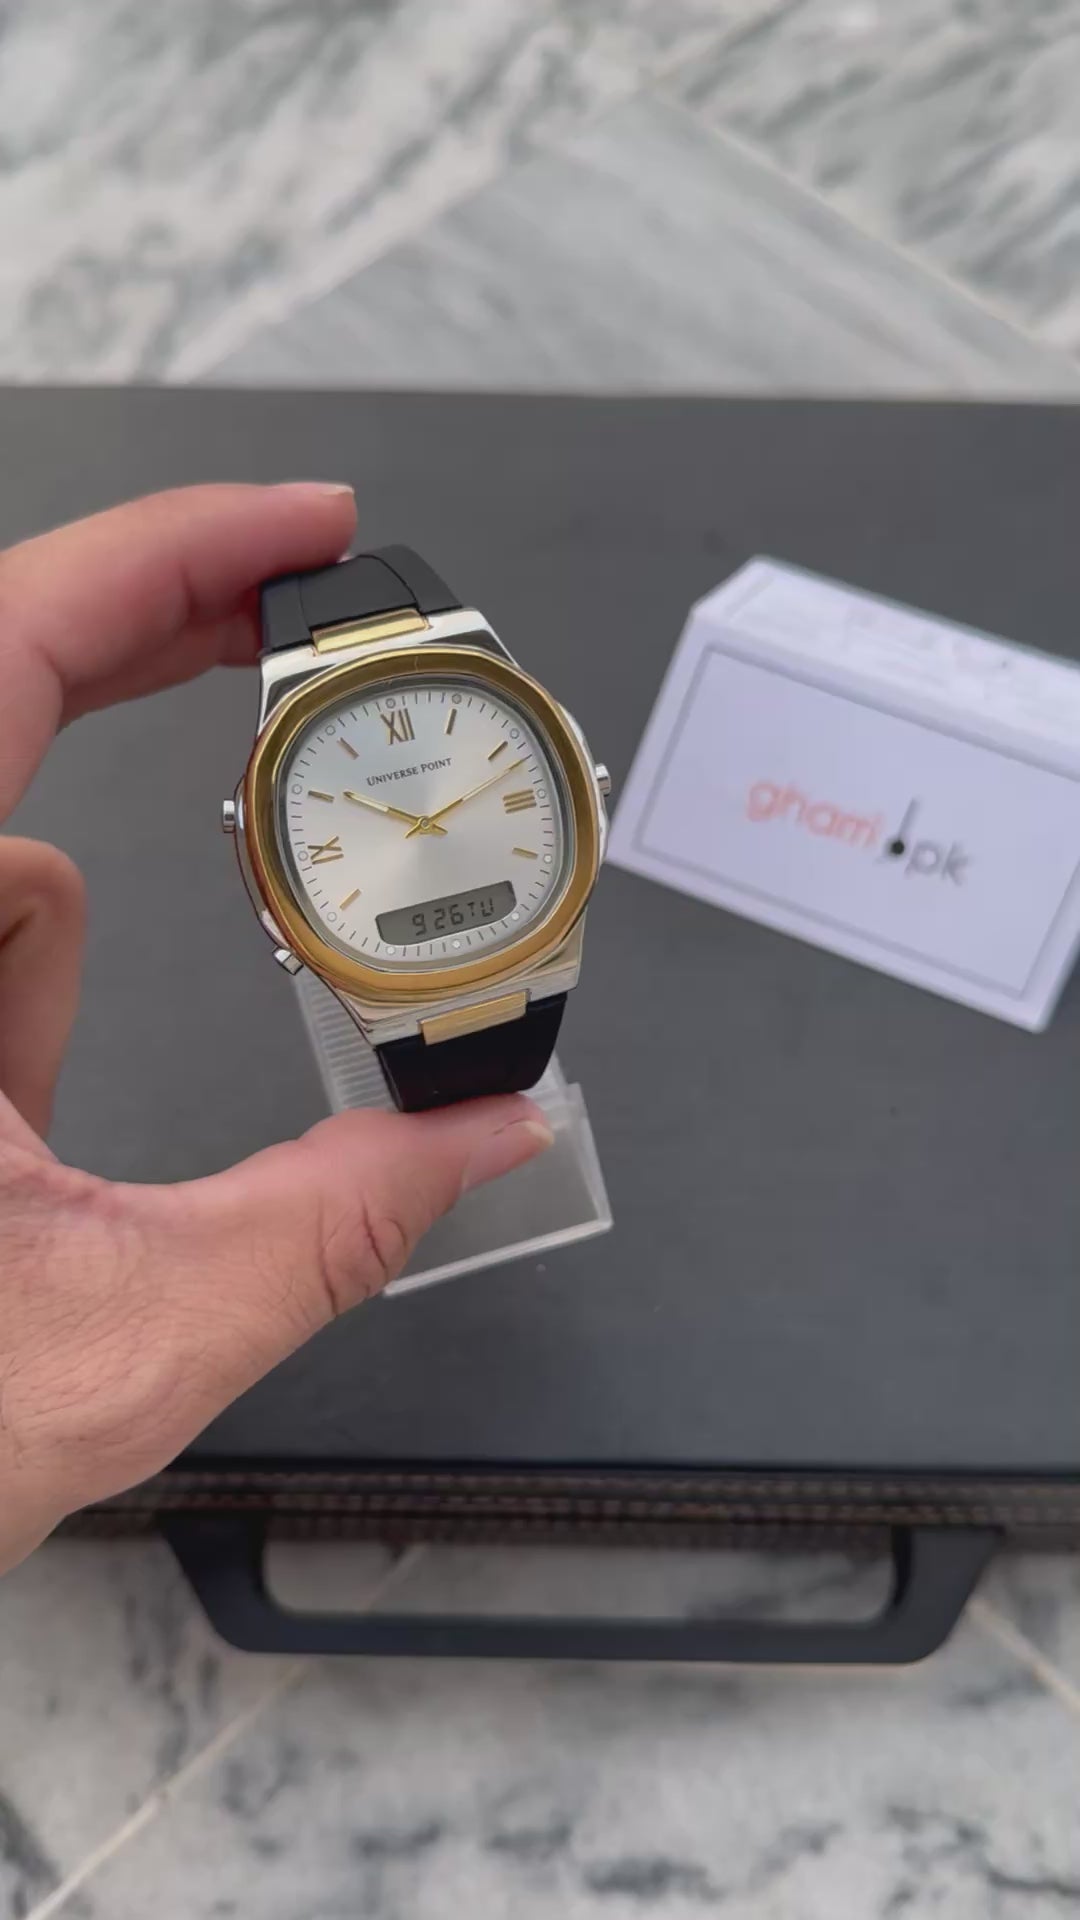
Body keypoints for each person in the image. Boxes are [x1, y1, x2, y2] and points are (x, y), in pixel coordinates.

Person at [0, 483, 553, 1574]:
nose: (427, 828)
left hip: (518, 942)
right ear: (265, 852)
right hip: (399, 970)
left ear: (571, 776)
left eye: (440, 813)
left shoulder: (476, 741)